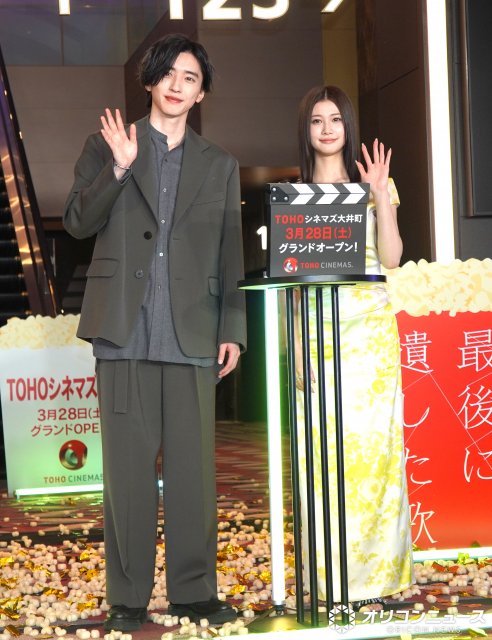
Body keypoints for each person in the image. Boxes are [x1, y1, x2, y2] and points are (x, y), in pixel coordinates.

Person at [63, 34, 247, 632]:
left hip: (192, 332)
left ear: (200, 94)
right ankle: (128, 596)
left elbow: (230, 253)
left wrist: (233, 328)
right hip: (124, 331)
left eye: (189, 78)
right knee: (127, 473)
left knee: (194, 473)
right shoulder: (106, 143)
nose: (176, 85)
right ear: (149, 81)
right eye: (168, 73)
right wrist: (119, 167)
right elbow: (77, 221)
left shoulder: (219, 164)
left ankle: (193, 592)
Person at [293, 85, 414, 611]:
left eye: (335, 119)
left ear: (348, 127)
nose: (327, 129)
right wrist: (297, 346)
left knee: (375, 456)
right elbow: (295, 285)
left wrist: (380, 194)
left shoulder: (373, 188)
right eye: (317, 120)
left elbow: (391, 256)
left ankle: (378, 579)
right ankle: (330, 580)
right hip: (318, 335)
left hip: (370, 339)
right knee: (323, 459)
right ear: (306, 130)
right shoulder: (294, 196)